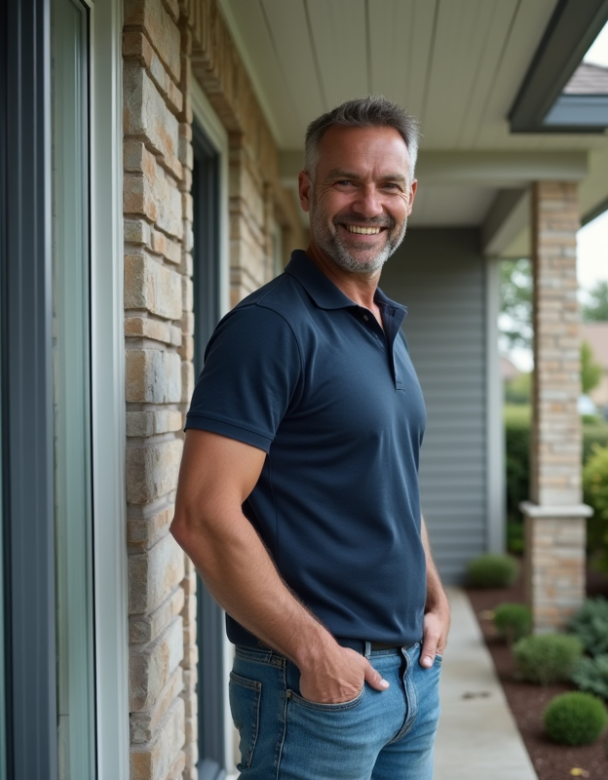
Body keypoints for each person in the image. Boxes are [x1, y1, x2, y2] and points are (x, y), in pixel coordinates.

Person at [171, 96, 450, 780]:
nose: (368, 205)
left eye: (388, 185)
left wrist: (434, 597)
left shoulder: (384, 325)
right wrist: (315, 651)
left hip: (411, 681)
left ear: (411, 197)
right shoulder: (271, 328)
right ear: (307, 190)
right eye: (345, 181)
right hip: (316, 694)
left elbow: (392, 483)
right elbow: (202, 515)